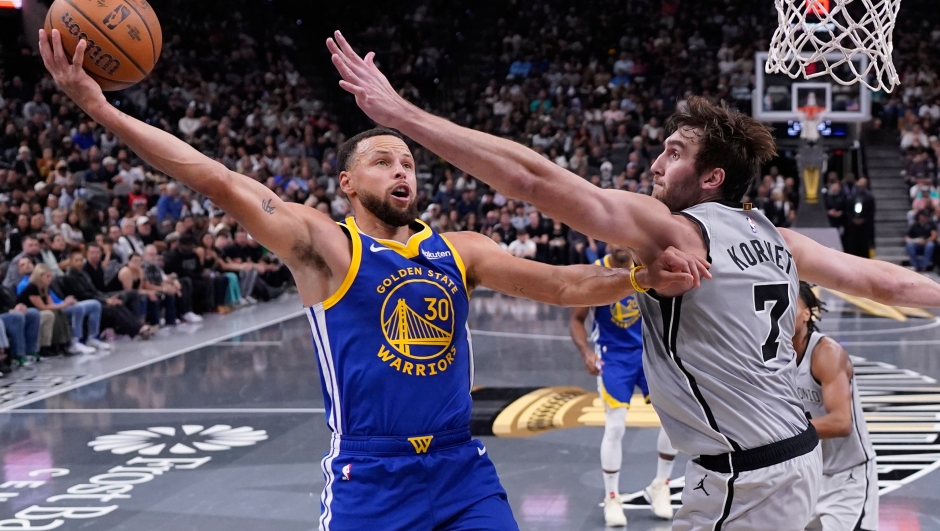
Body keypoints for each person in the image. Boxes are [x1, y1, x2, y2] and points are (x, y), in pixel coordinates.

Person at [40, 32, 709, 530]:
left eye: (409, 162)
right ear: (347, 183)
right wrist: (102, 109)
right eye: (384, 160)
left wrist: (636, 271)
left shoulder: (460, 249)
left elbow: (566, 286)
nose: (402, 171)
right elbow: (215, 178)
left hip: (460, 468)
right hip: (371, 475)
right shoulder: (324, 247)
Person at [328, 33, 940, 530]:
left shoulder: (676, 228)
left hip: (743, 479)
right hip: (789, 461)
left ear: (710, 178)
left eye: (673, 152)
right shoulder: (776, 236)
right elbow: (887, 282)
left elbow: (536, 181)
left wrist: (402, 115)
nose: (654, 163)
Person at [569, 244, 677, 526]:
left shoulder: (649, 268)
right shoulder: (595, 273)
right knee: (615, 426)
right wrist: (586, 353)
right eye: (612, 238)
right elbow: (577, 320)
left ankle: (661, 484)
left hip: (649, 354)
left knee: (674, 421)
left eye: (623, 238)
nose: (618, 243)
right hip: (613, 357)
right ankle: (613, 497)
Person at [793, 283, 878, 531]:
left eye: (789, 306)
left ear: (807, 313)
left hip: (846, 477)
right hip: (804, 476)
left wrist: (782, 433)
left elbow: (841, 423)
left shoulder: (826, 353)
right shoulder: (771, 357)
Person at [17, 264, 73, 357]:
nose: (50, 279)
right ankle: (48, 345)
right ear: (39, 276)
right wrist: (64, 304)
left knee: (59, 312)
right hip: (30, 312)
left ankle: (64, 342)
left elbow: (50, 304)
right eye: (47, 276)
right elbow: (42, 307)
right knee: (50, 314)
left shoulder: (45, 287)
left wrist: (61, 306)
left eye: (50, 276)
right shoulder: (32, 288)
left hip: (39, 311)